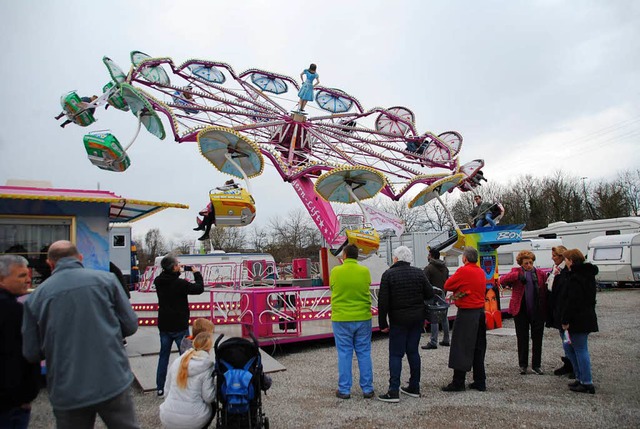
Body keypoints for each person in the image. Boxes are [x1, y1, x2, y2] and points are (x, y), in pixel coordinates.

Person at [21, 241, 140, 429]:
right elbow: (131, 325)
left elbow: (31, 352)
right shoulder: (107, 281)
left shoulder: (36, 298)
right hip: (112, 378)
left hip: (66, 388)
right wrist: (108, 333)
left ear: (50, 264)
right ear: (80, 258)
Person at [377, 246, 434, 402]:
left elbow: (383, 302)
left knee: (396, 354)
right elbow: (430, 293)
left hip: (398, 319)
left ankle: (393, 390)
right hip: (417, 319)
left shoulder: (388, 275)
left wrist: (382, 323)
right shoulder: (419, 273)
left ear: (395, 258)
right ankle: (414, 386)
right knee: (413, 352)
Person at [155, 255, 205, 397]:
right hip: (179, 325)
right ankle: (187, 385)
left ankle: (160, 387)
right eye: (177, 264)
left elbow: (166, 277)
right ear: (173, 267)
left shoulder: (158, 281)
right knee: (186, 356)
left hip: (164, 324)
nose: (180, 265)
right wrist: (196, 273)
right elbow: (199, 288)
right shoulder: (180, 284)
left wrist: (175, 271)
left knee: (163, 356)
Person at [329, 244, 374, 400]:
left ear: (345, 256)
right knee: (364, 353)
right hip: (363, 317)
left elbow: (332, 287)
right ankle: (367, 389)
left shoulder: (336, 272)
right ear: (357, 256)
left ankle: (344, 389)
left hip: (341, 318)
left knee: (344, 353)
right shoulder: (364, 271)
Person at [0, 255, 40, 429]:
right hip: (9, 404)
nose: (28, 280)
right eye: (22, 276)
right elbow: (23, 355)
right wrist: (24, 395)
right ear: (1, 279)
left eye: (28, 275)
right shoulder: (14, 312)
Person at [441, 247, 487, 392]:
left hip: (467, 312)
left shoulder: (463, 271)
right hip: (480, 312)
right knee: (478, 348)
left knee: (461, 347)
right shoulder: (480, 271)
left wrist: (458, 293)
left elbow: (447, 285)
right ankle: (480, 381)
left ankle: (458, 381)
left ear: (465, 258)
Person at [500, 250, 548, 375]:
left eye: (531, 262)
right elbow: (502, 280)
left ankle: (536, 365)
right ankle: (523, 364)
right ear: (521, 264)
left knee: (537, 339)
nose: (528, 265)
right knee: (522, 338)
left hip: (537, 310)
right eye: (526, 263)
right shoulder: (516, 272)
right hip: (520, 310)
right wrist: (516, 276)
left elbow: (546, 289)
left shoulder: (540, 274)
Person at [561, 249, 599, 394]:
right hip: (586, 316)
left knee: (580, 349)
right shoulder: (587, 275)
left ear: (571, 260)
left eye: (566, 259)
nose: (565, 262)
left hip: (578, 319)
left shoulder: (576, 277)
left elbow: (573, 301)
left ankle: (586, 382)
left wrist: (566, 319)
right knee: (575, 349)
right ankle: (581, 377)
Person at [159, 332, 216, 429]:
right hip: (193, 420)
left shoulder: (178, 361)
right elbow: (208, 397)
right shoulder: (206, 366)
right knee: (213, 406)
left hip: (167, 417)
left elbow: (167, 389)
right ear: (209, 348)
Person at [545, 246, 574, 378]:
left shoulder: (566, 271)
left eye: (555, 256)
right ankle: (569, 363)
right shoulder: (555, 269)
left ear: (562, 257)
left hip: (563, 309)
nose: (552, 258)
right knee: (564, 338)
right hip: (555, 306)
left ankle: (574, 366)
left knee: (569, 339)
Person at [422, 248, 450, 350]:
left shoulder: (428, 268)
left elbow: (424, 284)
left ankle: (433, 341)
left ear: (431, 256)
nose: (427, 256)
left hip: (432, 295)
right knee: (444, 316)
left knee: (434, 317)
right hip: (442, 294)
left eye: (428, 254)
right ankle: (446, 339)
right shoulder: (445, 268)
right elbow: (447, 282)